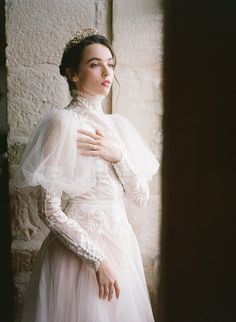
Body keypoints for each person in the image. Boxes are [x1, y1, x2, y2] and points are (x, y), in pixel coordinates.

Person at [16, 27, 159, 322]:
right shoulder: (62, 122)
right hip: (79, 257)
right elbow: (48, 209)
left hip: (121, 247)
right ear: (73, 73)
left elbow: (141, 197)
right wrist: (97, 260)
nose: (106, 72)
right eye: (95, 64)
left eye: (110, 64)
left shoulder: (119, 126)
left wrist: (117, 155)